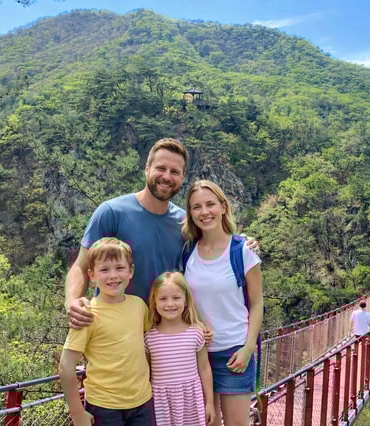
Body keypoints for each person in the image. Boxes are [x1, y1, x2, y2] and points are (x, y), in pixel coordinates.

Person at [65, 137, 259, 329]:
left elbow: (215, 244)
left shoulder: (185, 223)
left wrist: (244, 243)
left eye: (174, 172)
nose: (167, 176)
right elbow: (81, 266)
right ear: (147, 168)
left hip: (166, 335)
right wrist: (73, 302)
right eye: (161, 168)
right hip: (115, 330)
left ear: (182, 177)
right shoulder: (112, 213)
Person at [182, 180, 263, 426]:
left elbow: (257, 303)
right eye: (196, 207)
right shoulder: (187, 252)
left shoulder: (242, 251)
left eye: (210, 204)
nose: (204, 212)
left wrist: (248, 348)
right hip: (197, 353)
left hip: (233, 351)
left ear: (223, 207)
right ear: (190, 213)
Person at [59, 238, 152, 426]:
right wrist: (78, 414)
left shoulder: (139, 306)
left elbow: (148, 345)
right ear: (91, 275)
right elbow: (66, 366)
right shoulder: (87, 313)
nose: (113, 276)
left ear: (131, 271)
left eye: (120, 268)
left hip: (143, 402)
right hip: (104, 406)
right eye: (104, 270)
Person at [145, 272, 215, 426]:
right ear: (154, 302)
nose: (170, 304)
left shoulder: (196, 333)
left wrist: (210, 402)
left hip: (190, 400)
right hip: (161, 403)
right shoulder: (149, 337)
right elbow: (147, 372)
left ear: (186, 300)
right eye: (163, 299)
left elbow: (204, 368)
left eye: (176, 298)